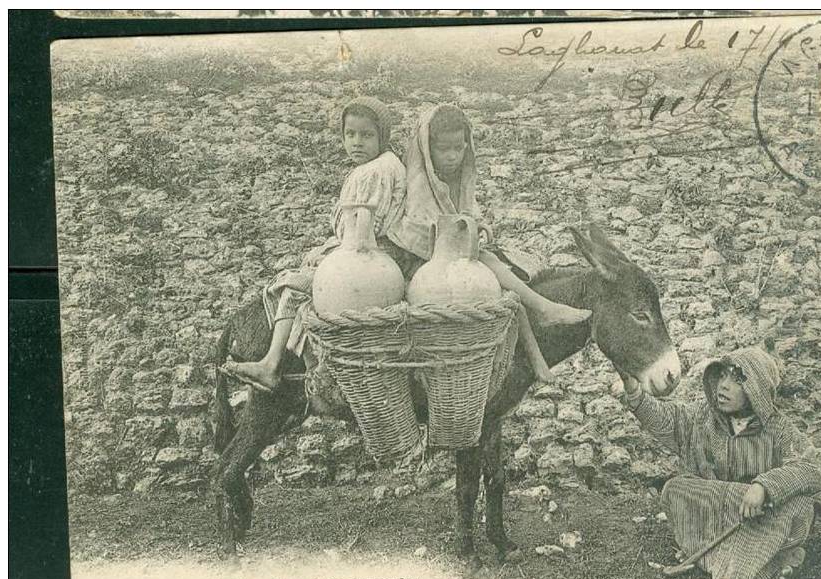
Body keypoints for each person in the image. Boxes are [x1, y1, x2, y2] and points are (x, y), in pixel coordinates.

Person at [222, 96, 412, 391]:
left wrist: (331, 254)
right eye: (350, 134)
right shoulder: (383, 164)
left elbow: (364, 229)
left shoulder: (375, 171)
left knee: (294, 286)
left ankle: (272, 365)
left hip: (369, 257)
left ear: (382, 137)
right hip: (368, 251)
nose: (357, 142)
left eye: (366, 135)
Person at [621, 346, 821, 579]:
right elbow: (667, 419)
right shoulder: (703, 417)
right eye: (722, 376)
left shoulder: (778, 428)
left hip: (758, 517)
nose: (723, 386)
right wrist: (635, 393)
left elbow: (809, 469)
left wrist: (764, 487)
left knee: (800, 505)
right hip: (719, 513)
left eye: (736, 380)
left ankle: (723, 559)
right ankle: (769, 560)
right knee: (676, 490)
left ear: (756, 389)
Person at [395, 104, 591, 381]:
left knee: (510, 296)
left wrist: (479, 224)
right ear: (428, 149)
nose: (452, 157)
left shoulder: (459, 179)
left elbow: (468, 213)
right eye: (443, 149)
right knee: (493, 269)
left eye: (458, 148)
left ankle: (536, 356)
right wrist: (465, 234)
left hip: (459, 253)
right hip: (421, 259)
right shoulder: (420, 183)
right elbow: (419, 231)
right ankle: (544, 308)